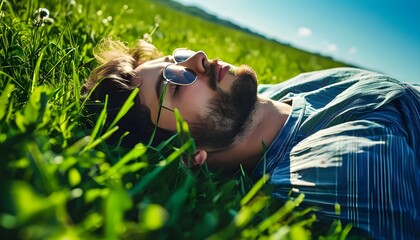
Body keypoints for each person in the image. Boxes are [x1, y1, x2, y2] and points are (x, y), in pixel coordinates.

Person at [82, 38, 420, 239]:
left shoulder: (281, 94)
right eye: (174, 82)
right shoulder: (339, 169)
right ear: (187, 156)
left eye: (179, 57)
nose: (198, 58)